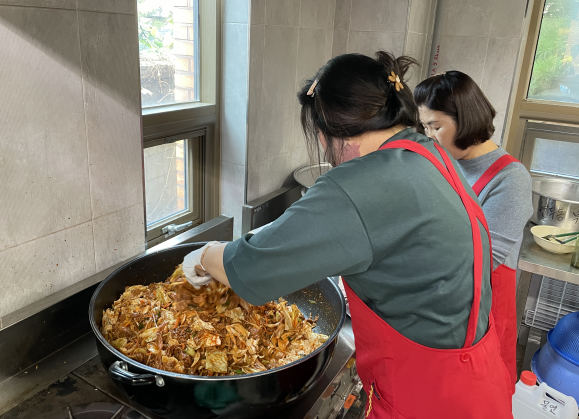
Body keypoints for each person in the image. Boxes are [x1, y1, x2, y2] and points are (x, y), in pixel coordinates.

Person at [182, 53, 512, 418]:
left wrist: (204, 254)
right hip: (477, 380)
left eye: (321, 137)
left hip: (427, 397)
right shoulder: (427, 151)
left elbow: (251, 270)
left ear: (328, 130)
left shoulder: (362, 182)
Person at [415, 70, 533, 388]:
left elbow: (480, 263)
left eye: (435, 127)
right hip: (442, 314)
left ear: (464, 120)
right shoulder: (447, 162)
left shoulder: (510, 179)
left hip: (483, 322)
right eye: (424, 127)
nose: (428, 137)